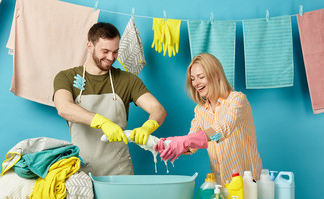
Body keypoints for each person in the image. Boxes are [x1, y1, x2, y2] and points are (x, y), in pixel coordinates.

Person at [53, 22, 167, 176]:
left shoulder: (127, 80)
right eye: (105, 51)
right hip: (80, 171)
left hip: (120, 171)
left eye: (115, 51)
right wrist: (101, 121)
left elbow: (158, 109)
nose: (111, 57)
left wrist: (148, 126)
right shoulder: (67, 77)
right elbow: (64, 107)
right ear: (90, 46)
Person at [155, 53, 262, 185]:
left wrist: (185, 141)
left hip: (248, 183)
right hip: (221, 185)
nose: (196, 83)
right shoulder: (200, 110)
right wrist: (168, 143)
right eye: (193, 79)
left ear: (217, 75)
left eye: (201, 77)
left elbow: (222, 130)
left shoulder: (237, 100)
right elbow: (191, 146)